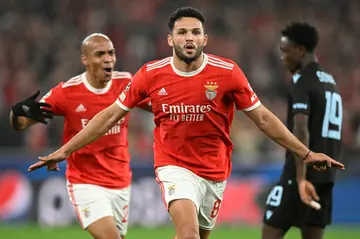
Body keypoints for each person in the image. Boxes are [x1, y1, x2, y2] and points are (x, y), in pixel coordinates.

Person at [27, 8, 344, 239]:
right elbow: (110, 114)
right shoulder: (151, 74)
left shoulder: (227, 72)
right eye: (182, 32)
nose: (189, 37)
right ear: (170, 39)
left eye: (195, 32)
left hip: (215, 170)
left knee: (199, 235)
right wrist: (64, 150)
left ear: (205, 38)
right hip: (173, 166)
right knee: (189, 234)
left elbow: (262, 118)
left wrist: (305, 153)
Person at [10, 33, 151, 239]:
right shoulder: (66, 93)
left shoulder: (126, 83)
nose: (108, 59)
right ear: (85, 59)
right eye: (99, 54)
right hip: (85, 182)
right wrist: (16, 113)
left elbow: (161, 108)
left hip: (121, 180)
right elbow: (21, 124)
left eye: (111, 53)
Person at [261, 22, 343, 239]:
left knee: (269, 232)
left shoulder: (302, 80)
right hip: (326, 175)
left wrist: (299, 178)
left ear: (300, 50)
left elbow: (301, 127)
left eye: (285, 51)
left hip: (302, 172)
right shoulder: (330, 82)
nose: (282, 58)